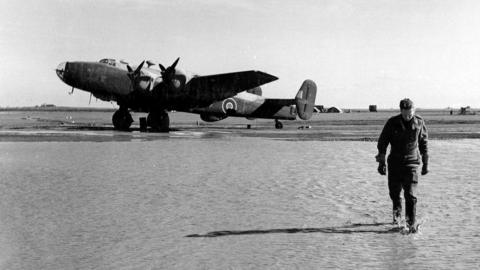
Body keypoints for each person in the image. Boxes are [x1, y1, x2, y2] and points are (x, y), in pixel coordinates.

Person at [375, 98, 429, 233]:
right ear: (401, 111)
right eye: (405, 114)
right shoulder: (392, 123)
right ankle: (398, 221)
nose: (407, 117)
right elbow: (383, 142)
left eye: (410, 114)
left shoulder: (419, 122)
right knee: (395, 194)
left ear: (414, 111)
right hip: (394, 164)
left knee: (410, 195)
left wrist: (425, 164)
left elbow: (424, 144)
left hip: (412, 164)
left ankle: (411, 224)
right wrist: (381, 162)